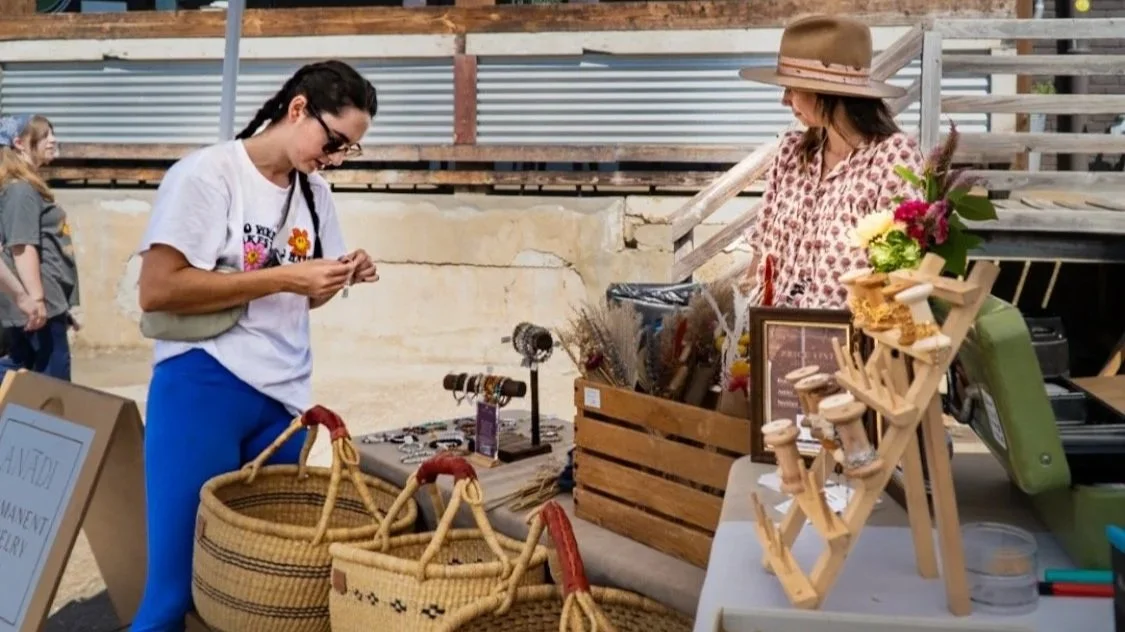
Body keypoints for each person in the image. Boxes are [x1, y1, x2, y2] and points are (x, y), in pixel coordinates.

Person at [132, 60, 379, 632]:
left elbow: (304, 299)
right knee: (174, 592)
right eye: (334, 142)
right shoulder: (208, 174)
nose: (336, 158)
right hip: (203, 384)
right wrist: (285, 277)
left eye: (349, 150)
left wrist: (339, 274)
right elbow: (158, 289)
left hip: (285, 404)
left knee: (258, 597)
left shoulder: (315, 193)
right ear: (298, 109)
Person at [737, 14, 924, 309]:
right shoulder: (791, 154)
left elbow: (898, 273)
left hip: (844, 333)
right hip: (770, 327)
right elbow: (759, 259)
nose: (784, 100)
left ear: (825, 92)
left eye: (792, 87)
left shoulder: (891, 159)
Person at [0, 114, 80, 380]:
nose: (53, 140)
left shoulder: (26, 187)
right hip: (37, 303)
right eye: (45, 135)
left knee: (25, 375)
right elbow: (22, 247)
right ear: (19, 144)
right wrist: (36, 300)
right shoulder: (20, 190)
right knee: (51, 385)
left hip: (45, 301)